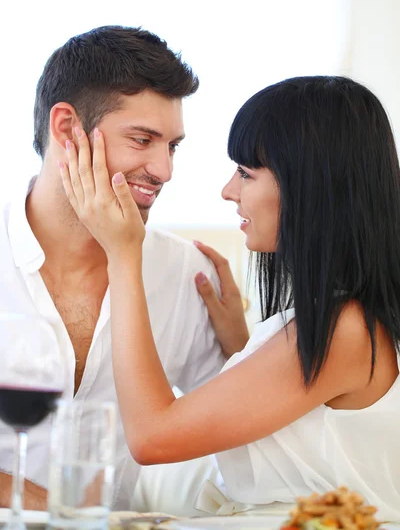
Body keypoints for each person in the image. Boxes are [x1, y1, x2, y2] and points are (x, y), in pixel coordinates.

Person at [62, 75, 400, 521]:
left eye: (246, 173)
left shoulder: (346, 330)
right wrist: (242, 347)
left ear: (310, 186)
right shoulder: (346, 322)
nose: (229, 191)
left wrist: (124, 255)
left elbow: (151, 437)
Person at [0, 25, 249, 511]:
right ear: (67, 128)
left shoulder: (187, 275)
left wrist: (242, 348)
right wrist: (43, 507)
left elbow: (247, 444)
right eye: (142, 140)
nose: (164, 170)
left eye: (172, 146)